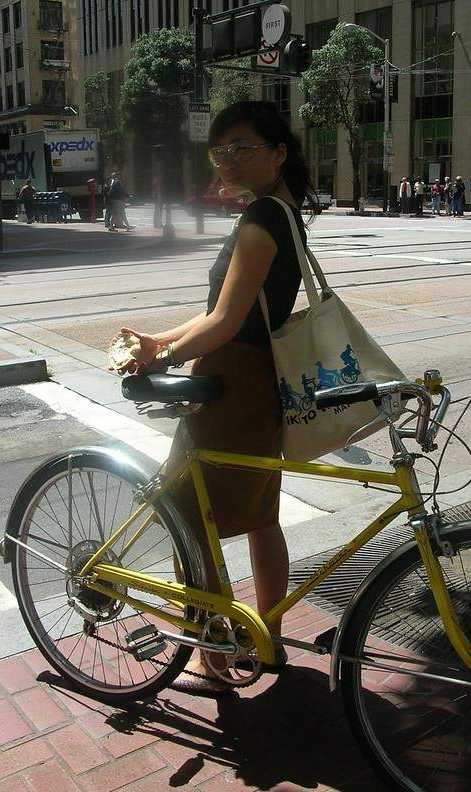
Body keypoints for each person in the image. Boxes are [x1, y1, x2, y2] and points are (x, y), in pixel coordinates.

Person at [113, 101, 320, 692]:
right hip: (259, 383)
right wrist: (161, 338)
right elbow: (222, 315)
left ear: (278, 153)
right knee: (260, 515)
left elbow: (226, 323)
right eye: (221, 149)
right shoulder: (280, 213)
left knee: (188, 513)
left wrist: (163, 358)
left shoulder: (259, 223)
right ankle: (268, 639)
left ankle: (212, 656)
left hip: (232, 386)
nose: (227, 159)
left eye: (242, 148)